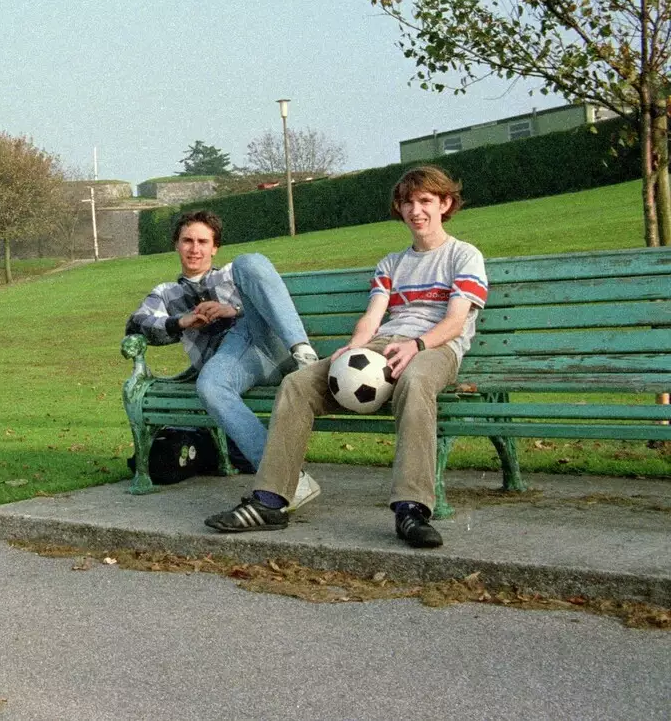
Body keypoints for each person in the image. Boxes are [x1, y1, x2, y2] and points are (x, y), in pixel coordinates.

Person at [204, 165, 488, 549]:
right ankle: (270, 500)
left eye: (425, 201)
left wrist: (417, 345)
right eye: (408, 203)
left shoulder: (463, 255)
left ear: (445, 204)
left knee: (415, 380)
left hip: (435, 348)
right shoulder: (391, 263)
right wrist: (354, 347)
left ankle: (411, 509)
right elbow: (373, 316)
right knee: (298, 383)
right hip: (383, 345)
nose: (416, 210)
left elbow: (455, 321)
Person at [126, 209, 322, 510]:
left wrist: (236, 311)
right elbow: (136, 325)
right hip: (237, 367)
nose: (195, 248)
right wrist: (182, 321)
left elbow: (271, 299)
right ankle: (290, 480)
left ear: (214, 247)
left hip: (269, 345)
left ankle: (306, 355)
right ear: (176, 245)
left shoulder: (233, 275)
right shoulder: (166, 293)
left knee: (250, 260)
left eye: (203, 241)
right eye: (187, 241)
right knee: (211, 387)